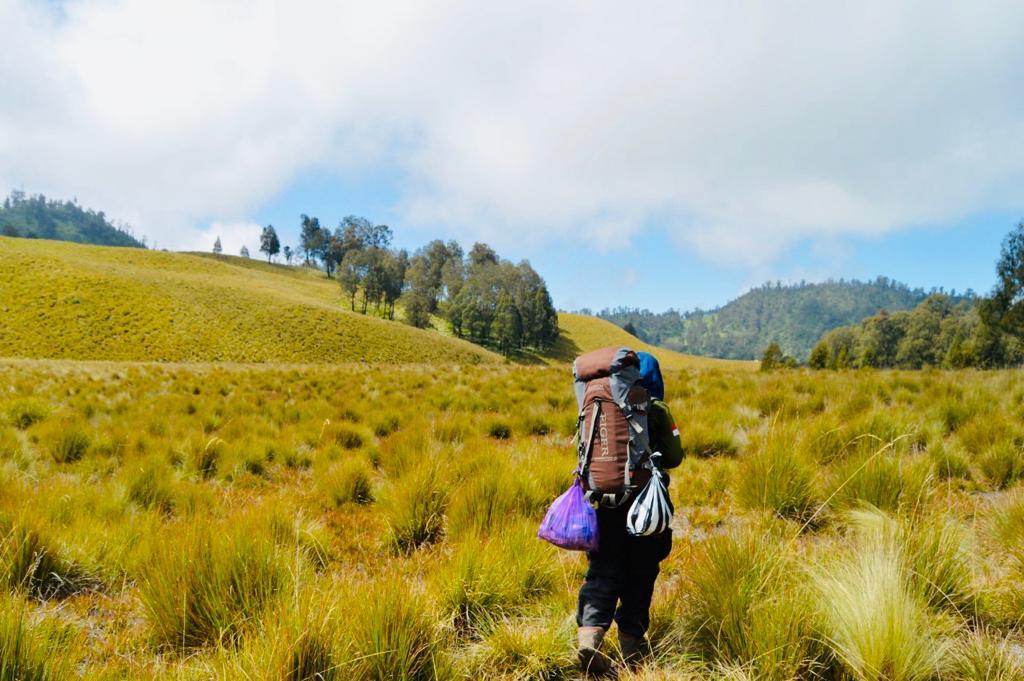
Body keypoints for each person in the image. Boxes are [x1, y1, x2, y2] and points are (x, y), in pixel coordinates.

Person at [576, 350, 683, 674]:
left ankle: (589, 639)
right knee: (641, 572)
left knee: (603, 569)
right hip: (644, 504)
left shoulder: (595, 404)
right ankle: (631, 650)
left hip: (603, 498)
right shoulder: (656, 408)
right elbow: (675, 456)